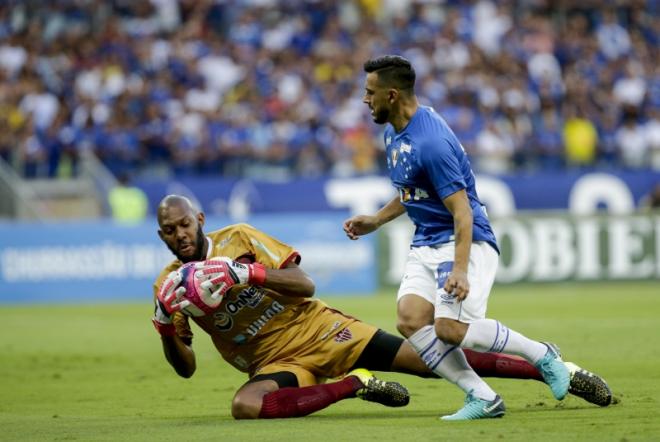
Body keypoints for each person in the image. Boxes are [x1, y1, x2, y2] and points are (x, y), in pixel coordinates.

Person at [152, 194, 611, 420]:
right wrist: (166, 330)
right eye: (170, 231)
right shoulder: (169, 288)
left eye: (185, 224)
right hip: (273, 362)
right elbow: (186, 369)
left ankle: (558, 370)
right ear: (162, 237)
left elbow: (304, 284)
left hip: (324, 331)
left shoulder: (240, 239)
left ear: (200, 220)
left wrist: (244, 273)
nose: (180, 234)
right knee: (245, 406)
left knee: (435, 361)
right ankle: (356, 385)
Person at [343, 55, 611, 420]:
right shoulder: (393, 131)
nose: (364, 99)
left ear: (391, 95)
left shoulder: (431, 142)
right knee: (409, 320)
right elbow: (413, 191)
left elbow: (462, 211)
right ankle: (483, 397)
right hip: (426, 240)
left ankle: (542, 354)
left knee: (450, 329)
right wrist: (376, 220)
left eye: (369, 92)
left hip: (463, 240)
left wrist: (460, 269)